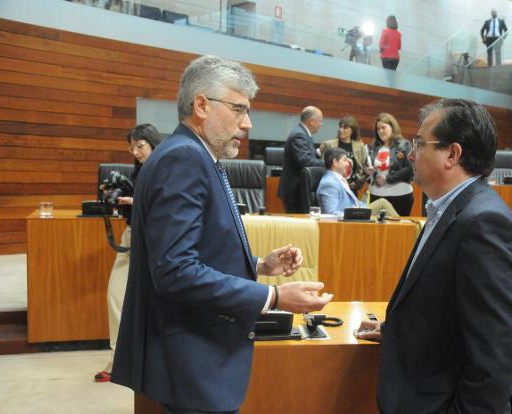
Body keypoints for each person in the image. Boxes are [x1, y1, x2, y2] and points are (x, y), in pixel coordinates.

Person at [111, 55, 333, 414]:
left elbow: (195, 251)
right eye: (238, 109)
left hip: (194, 357)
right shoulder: (183, 159)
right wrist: (273, 297)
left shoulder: (191, 154)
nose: (248, 123)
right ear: (201, 104)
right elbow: (175, 271)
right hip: (193, 361)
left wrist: (260, 264)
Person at [357, 99, 512, 414]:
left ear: (453, 153)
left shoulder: (484, 223)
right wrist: (397, 332)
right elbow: (448, 309)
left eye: (420, 143)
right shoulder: (449, 208)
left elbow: (494, 357)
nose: (410, 154)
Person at [94, 123, 162, 383]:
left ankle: (143, 360)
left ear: (153, 142)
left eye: (140, 146)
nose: (135, 152)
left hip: (156, 243)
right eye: (131, 148)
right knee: (116, 295)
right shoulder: (139, 172)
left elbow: (168, 205)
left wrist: (137, 201)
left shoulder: (166, 168)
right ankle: (118, 359)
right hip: (132, 237)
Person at [317, 147, 398, 218]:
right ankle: (406, 230)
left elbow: (356, 202)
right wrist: (354, 213)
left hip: (356, 213)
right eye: (345, 160)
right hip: (349, 221)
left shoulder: (339, 179)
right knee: (382, 203)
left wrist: (362, 209)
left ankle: (404, 228)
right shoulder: (329, 184)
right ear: (335, 162)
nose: (348, 163)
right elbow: (330, 214)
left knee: (382, 204)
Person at [365, 113, 414, 216]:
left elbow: (410, 169)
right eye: (378, 129)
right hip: (376, 195)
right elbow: (368, 168)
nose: (381, 131)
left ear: (392, 127)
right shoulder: (372, 148)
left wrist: (387, 178)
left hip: (400, 195)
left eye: (383, 127)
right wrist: (368, 171)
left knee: (398, 229)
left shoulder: (404, 145)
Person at [278, 106, 324, 213]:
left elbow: (306, 156)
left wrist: (317, 152)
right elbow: (305, 161)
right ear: (311, 122)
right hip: (295, 191)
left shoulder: (303, 133)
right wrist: (328, 163)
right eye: (320, 121)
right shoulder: (299, 135)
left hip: (298, 189)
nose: (321, 125)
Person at [319, 115, 367, 195]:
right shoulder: (329, 145)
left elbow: (363, 168)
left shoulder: (360, 146)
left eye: (345, 128)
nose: (341, 130)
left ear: (352, 130)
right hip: (333, 187)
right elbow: (323, 167)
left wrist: (357, 184)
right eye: (340, 127)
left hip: (351, 188)